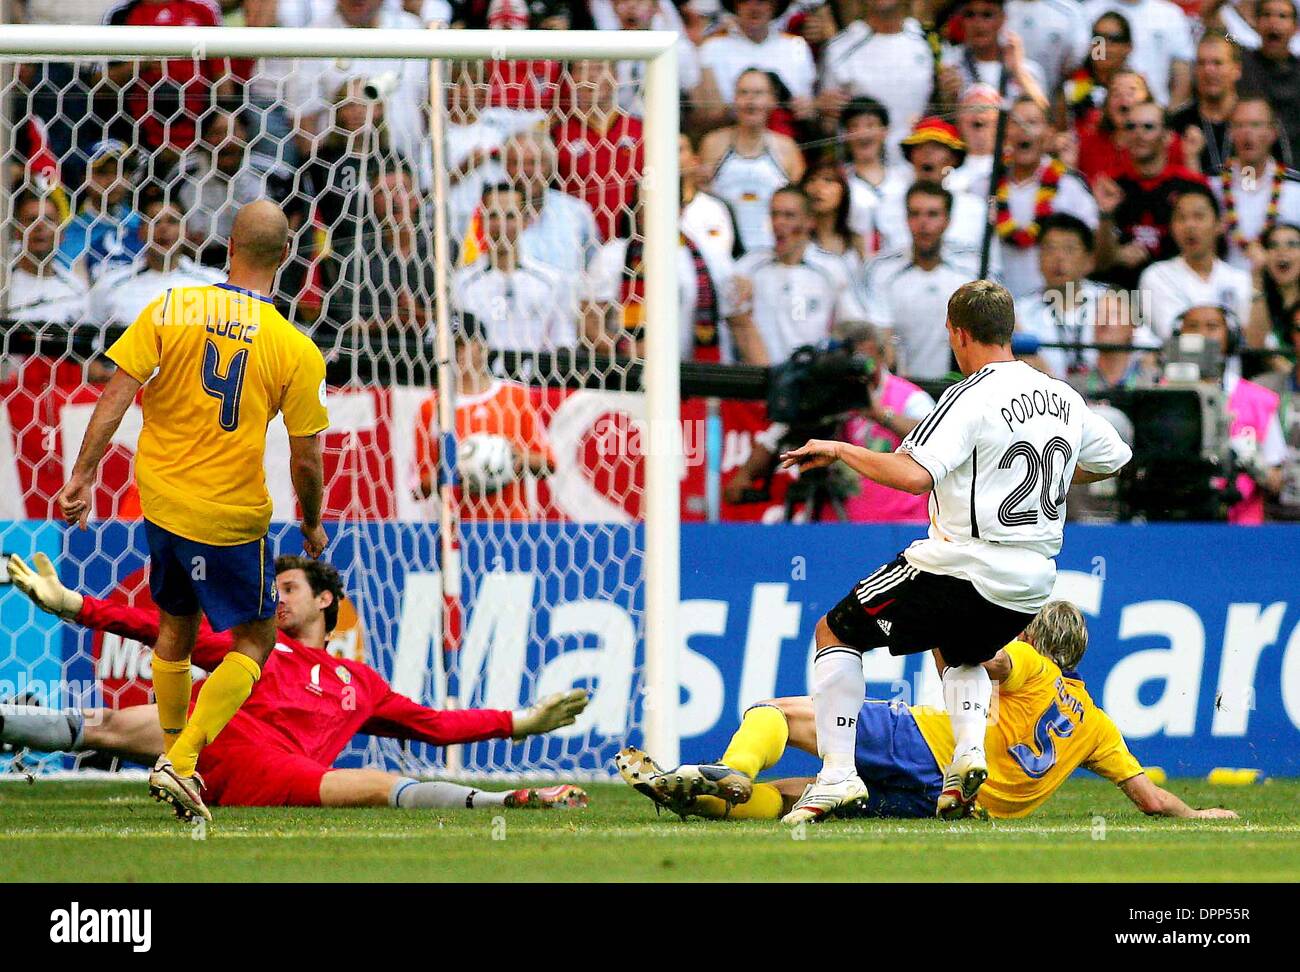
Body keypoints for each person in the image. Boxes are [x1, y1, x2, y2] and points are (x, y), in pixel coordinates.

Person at [775, 280, 1132, 822]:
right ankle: (964, 761)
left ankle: (838, 775)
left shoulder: (970, 393)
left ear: (957, 333)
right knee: (959, 649)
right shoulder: (1061, 395)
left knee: (836, 631)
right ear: (1009, 332)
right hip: (1031, 581)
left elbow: (914, 476)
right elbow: (1114, 456)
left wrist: (842, 449)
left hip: (966, 563)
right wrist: (1059, 476)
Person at [55, 200, 330, 823]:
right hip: (228, 520)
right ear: (285, 259)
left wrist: (82, 474)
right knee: (256, 642)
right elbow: (306, 461)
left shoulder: (172, 306)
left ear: (227, 245)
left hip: (162, 506)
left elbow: (117, 392)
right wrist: (311, 522)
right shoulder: (294, 347)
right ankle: (181, 762)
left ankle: (175, 760)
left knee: (174, 629)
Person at [2, 552, 589, 811]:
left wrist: (520, 722)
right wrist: (71, 604)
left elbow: (435, 725)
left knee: (378, 783)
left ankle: (504, 798)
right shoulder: (254, 642)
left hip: (270, 765)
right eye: (272, 589)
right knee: (103, 722)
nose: (276, 599)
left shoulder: (360, 682)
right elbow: (154, 627)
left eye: (289, 590)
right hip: (208, 740)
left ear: (326, 600)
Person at [618, 601, 1237, 823]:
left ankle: (729, 770)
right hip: (950, 801)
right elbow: (1150, 799)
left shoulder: (1028, 663)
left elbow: (981, 662)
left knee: (778, 711)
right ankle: (698, 797)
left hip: (922, 740)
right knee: (801, 793)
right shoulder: (1098, 725)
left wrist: (947, 617)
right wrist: (1200, 812)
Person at [413, 313, 555, 519]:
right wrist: (459, 470)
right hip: (456, 529)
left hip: (512, 527)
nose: (456, 353)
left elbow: (548, 463)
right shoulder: (431, 407)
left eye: (462, 344)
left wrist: (511, 457)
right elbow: (418, 486)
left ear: (483, 347)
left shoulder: (516, 396)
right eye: (448, 346)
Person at [731, 184, 866, 364]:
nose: (779, 222)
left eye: (789, 216)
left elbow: (852, 325)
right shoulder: (748, 266)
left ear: (810, 221)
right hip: (759, 379)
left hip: (809, 381)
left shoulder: (832, 268)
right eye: (774, 214)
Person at [1177, 303, 1286, 524]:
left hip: (1241, 529)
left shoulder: (1258, 399)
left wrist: (1252, 461)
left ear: (1231, 336)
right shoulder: (1160, 393)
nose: (1202, 335)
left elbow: (1277, 481)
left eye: (1212, 326)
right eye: (1193, 326)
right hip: (1175, 523)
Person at [862, 181, 981, 379]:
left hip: (961, 386)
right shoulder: (881, 269)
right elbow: (881, 335)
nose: (923, 223)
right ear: (906, 219)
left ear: (948, 220)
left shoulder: (972, 268)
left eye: (932, 214)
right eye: (915, 214)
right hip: (903, 387)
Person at [1093, 99, 1207, 292]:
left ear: (1168, 137)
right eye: (1131, 127)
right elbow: (1099, 262)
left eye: (1148, 127)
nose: (1138, 134)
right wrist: (1115, 251)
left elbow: (1209, 252)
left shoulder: (1191, 185)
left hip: (1179, 293)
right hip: (1121, 298)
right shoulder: (1109, 185)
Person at [451, 182, 580, 352]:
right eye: (493, 216)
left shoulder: (551, 281)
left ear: (526, 221)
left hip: (534, 376)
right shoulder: (462, 282)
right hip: (481, 375)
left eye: (510, 216)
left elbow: (563, 341)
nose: (501, 224)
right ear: (482, 221)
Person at [990, 97, 1098, 298]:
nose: (1023, 130)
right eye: (1016, 123)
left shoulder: (1070, 186)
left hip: (1053, 303)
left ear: (1049, 133)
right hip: (999, 305)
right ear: (1005, 133)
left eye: (1032, 122)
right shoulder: (986, 185)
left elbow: (1092, 246)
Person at [699, 68, 805, 254]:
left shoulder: (786, 148)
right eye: (743, 93)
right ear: (734, 99)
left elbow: (799, 205)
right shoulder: (713, 143)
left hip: (773, 251)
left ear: (772, 100)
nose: (751, 101)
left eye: (758, 93)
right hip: (723, 250)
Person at [816, 0, 935, 164]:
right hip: (859, 172)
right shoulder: (839, 48)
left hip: (916, 168)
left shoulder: (928, 43)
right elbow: (827, 124)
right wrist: (822, 110)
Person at [1137, 183, 1253, 340]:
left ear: (1220, 224)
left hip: (1233, 365)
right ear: (1171, 227)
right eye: (1181, 218)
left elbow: (1252, 339)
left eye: (1198, 216)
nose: (1189, 226)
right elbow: (1173, 335)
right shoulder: (1156, 277)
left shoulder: (1241, 279)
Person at [87, 197, 225, 325]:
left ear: (186, 232)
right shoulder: (111, 283)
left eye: (172, 221)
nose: (163, 228)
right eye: (155, 221)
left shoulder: (214, 283)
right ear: (141, 232)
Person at [551, 59, 644, 242]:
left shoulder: (641, 130)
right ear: (572, 79)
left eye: (599, 68)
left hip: (632, 246)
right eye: (582, 69)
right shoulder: (556, 134)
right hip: (578, 244)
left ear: (615, 77)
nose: (591, 76)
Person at [695, 0, 817, 132]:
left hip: (787, 138)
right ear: (736, 5)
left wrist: (809, 108)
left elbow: (809, 104)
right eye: (746, 1)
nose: (753, 8)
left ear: (773, 5)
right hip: (731, 138)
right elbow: (705, 116)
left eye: (761, 1)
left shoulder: (796, 46)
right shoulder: (711, 48)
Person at [1211, 98, 1300, 271]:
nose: (1247, 133)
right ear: (1230, 133)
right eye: (1239, 125)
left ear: (1273, 132)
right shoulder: (1212, 184)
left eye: (1256, 125)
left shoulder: (1295, 187)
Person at [502, 129, 600, 277]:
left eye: (534, 162)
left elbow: (594, 266)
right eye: (517, 163)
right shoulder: (490, 214)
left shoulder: (576, 212)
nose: (526, 170)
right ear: (505, 167)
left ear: (550, 166)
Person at [56, 139, 144, 282]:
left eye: (120, 172)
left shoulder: (142, 225)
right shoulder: (69, 234)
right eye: (103, 172)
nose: (113, 180)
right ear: (84, 178)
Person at [938, 0, 1050, 111]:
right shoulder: (951, 66)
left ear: (1002, 19)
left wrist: (1018, 72)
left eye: (987, 15)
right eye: (970, 15)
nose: (978, 23)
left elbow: (1043, 116)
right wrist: (948, 100)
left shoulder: (1027, 70)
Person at [1080, 0, 1194, 107]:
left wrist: (1169, 117)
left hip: (1157, 110)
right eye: (1102, 38)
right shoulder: (1088, 11)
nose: (1109, 45)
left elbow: (1183, 73)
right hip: (1093, 104)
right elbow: (1084, 61)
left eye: (1115, 39)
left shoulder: (1169, 14)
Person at [6, 188, 89, 326]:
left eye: (48, 219)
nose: (40, 226)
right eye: (32, 219)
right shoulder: (5, 284)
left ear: (61, 234)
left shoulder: (75, 289)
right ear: (17, 231)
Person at [1168, 31, 1242, 177]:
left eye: (1217, 63)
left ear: (1236, 70)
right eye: (1201, 63)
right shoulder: (1177, 123)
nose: (1208, 71)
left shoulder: (1255, 121)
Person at [1238, 0, 1300, 169]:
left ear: (1295, 27)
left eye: (1282, 16)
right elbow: (1214, 26)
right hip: (1249, 169)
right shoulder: (1241, 60)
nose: (1273, 22)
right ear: (1256, 23)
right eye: (1266, 15)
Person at [840, 99, 910, 246]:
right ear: (845, 135)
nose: (863, 133)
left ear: (885, 131)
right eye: (854, 126)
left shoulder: (905, 177)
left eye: (870, 125)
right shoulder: (840, 180)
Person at [802, 160, 867, 277]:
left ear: (843, 190)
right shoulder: (799, 240)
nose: (818, 188)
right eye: (811, 180)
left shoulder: (856, 242)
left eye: (828, 180)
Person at [1247, 221, 1300, 350]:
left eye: (1292, 244)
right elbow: (1256, 345)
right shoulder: (1253, 297)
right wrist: (1257, 278)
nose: (1282, 251)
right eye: (1273, 245)